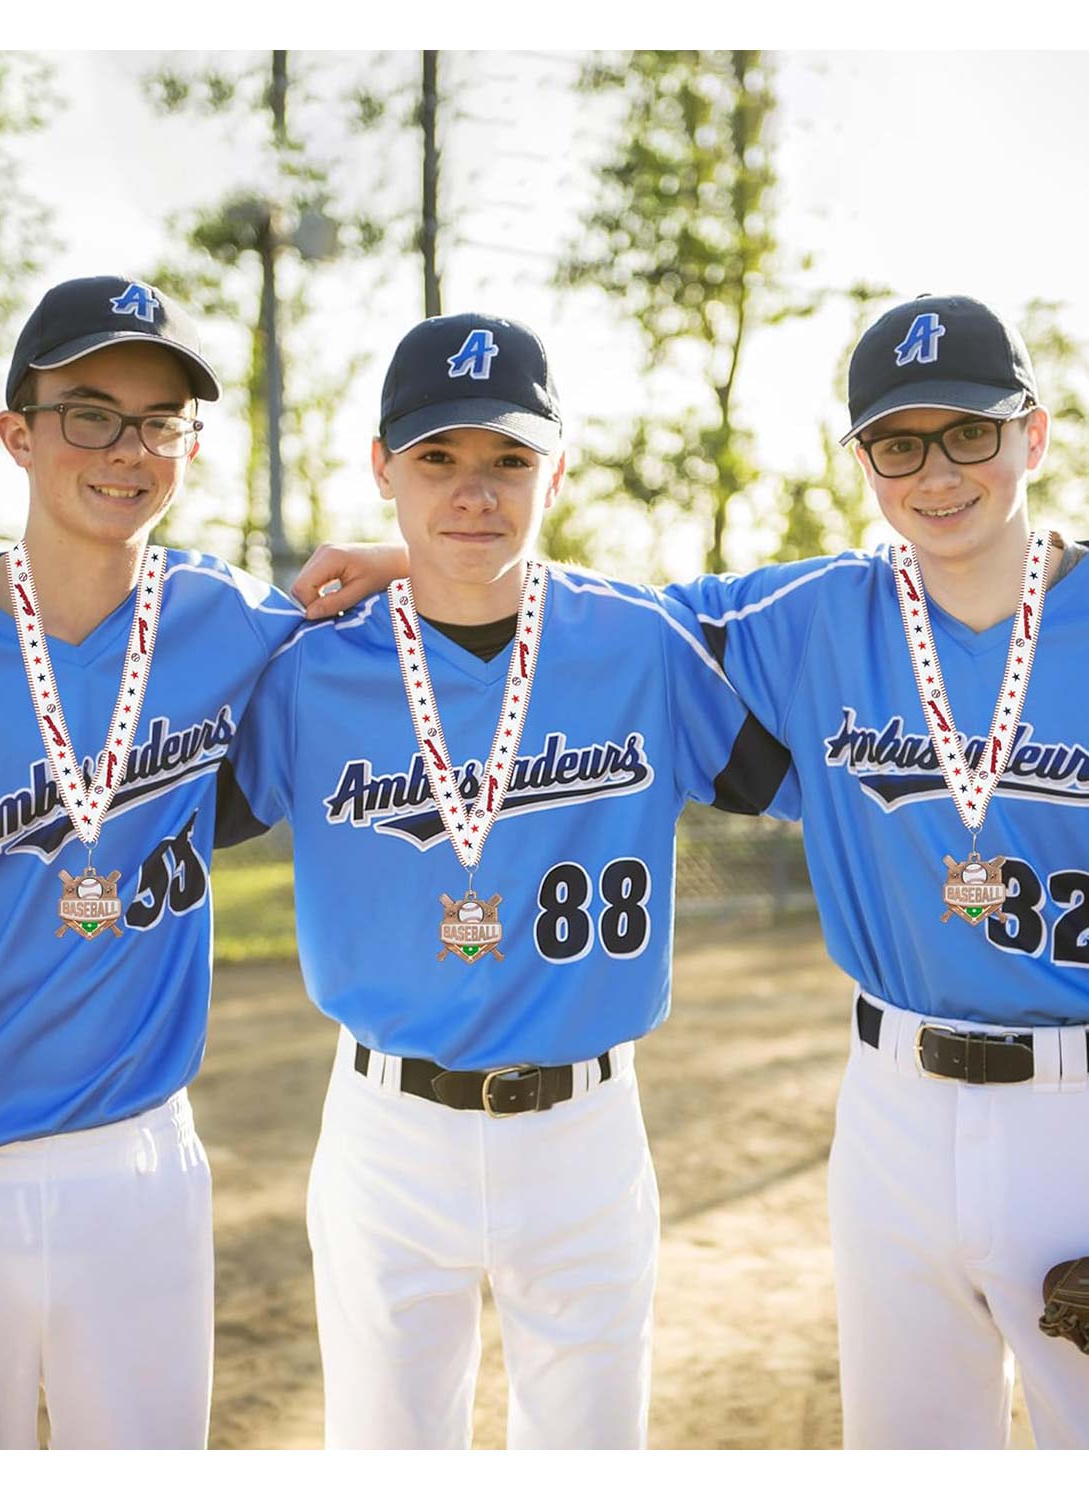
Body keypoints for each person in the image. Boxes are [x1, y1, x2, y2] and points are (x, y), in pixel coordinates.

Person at [219, 311, 800, 1449]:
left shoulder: (642, 644)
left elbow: (826, 745)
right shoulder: (310, 670)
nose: (473, 492)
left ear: (558, 470)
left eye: (508, 461)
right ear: (382, 467)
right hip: (386, 1130)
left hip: (584, 1129)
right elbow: (148, 801)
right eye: (437, 459)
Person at [662, 293, 1089, 1448]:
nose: (937, 472)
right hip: (892, 1106)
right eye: (899, 443)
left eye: (970, 433)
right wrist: (425, 557)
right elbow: (598, 630)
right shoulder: (816, 611)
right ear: (863, 461)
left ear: (1033, 437)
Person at [0, 274, 326, 1449]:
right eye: (90, 413)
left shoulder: (230, 617)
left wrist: (387, 555)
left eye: (160, 421)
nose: (128, 449)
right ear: (17, 433)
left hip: (139, 1164)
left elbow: (408, 634)